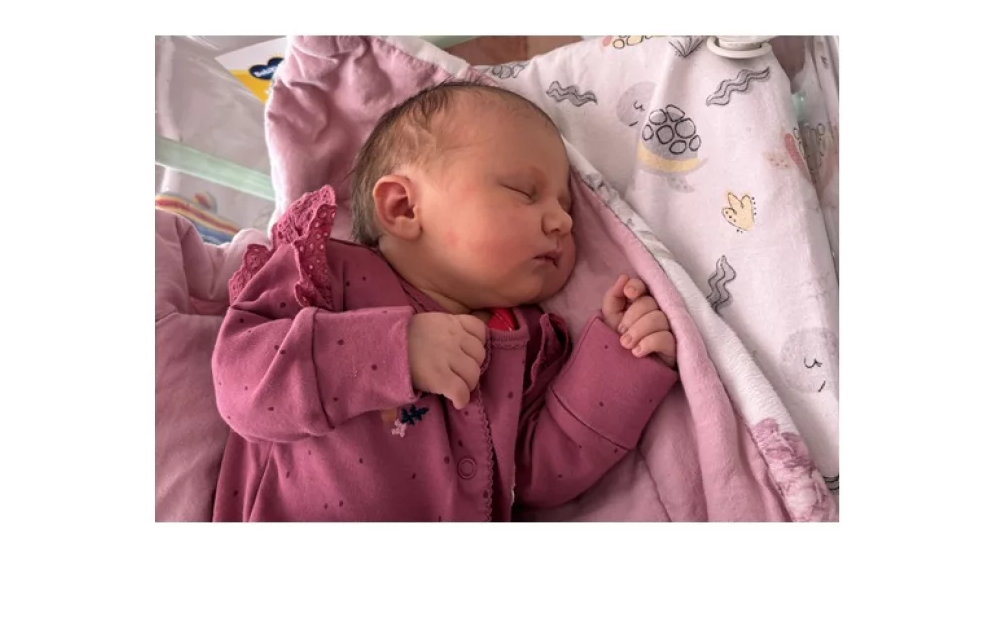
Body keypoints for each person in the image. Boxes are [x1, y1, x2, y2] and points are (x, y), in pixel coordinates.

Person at [211, 81, 679, 521]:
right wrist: (394, 350)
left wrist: (621, 361)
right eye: (524, 192)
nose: (562, 222)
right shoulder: (325, 274)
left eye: (566, 208)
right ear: (403, 208)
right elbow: (243, 383)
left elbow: (538, 472)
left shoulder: (527, 341)